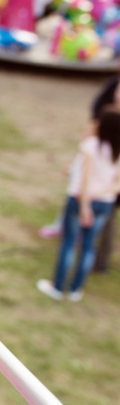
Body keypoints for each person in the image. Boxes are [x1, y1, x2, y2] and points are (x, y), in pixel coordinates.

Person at [38, 110, 120, 301]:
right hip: (104, 204)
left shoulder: (91, 145)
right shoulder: (117, 150)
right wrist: (100, 194)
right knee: (89, 245)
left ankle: (58, 287)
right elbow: (117, 184)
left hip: (80, 201)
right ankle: (75, 290)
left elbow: (86, 179)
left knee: (68, 243)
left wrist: (85, 204)